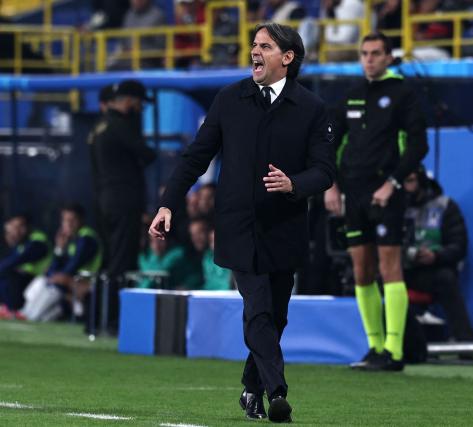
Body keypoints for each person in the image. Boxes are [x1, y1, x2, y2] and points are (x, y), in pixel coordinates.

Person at [149, 23, 334, 422]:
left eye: (264, 46)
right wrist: (167, 204)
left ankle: (250, 387)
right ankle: (277, 391)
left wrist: (294, 184)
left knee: (276, 315)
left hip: (284, 224)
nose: (254, 52)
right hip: (237, 225)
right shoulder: (230, 99)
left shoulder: (312, 109)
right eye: (254, 45)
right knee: (259, 310)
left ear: (287, 58)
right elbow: (195, 157)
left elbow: (324, 171)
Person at [325, 32, 428, 371]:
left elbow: (417, 146)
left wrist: (393, 184)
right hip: (352, 193)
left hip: (386, 193)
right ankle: (373, 346)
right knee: (362, 270)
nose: (369, 59)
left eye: (375, 54)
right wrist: (331, 186)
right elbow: (330, 144)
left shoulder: (403, 95)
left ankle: (394, 350)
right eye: (364, 53)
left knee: (389, 268)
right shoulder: (350, 96)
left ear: (388, 57)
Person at [91, 79, 157, 331]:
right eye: (139, 103)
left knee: (108, 260)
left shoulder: (98, 127)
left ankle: (96, 317)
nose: (140, 109)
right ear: (129, 101)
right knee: (122, 261)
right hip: (123, 200)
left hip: (103, 200)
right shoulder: (120, 125)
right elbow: (146, 154)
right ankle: (113, 320)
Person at [403, 167, 473, 343]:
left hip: (434, 269)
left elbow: (459, 245)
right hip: (401, 268)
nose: (406, 187)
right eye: (404, 182)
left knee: (446, 278)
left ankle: (464, 339)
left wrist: (436, 255)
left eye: (411, 181)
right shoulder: (395, 206)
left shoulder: (445, 206)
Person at [22, 204, 102, 321]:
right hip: (70, 282)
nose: (68, 224)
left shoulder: (87, 239)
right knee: (42, 280)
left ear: (81, 220)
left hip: (86, 283)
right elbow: (54, 269)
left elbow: (72, 267)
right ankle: (28, 312)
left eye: (72, 220)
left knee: (54, 283)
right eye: (65, 220)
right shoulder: (72, 239)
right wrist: (59, 249)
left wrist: (55, 276)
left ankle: (31, 315)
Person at [0, 214, 51, 320]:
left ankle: (12, 309)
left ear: (28, 227)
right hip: (27, 282)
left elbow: (21, 258)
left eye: (21, 226)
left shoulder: (38, 240)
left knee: (8, 274)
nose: (17, 230)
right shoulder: (20, 243)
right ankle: (6, 307)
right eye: (14, 227)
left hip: (42, 282)